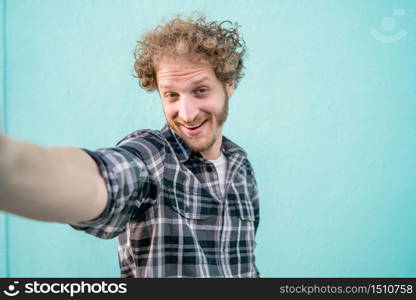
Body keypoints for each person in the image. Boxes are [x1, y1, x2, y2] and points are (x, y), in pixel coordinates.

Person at [0, 15, 260, 278]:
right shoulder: (153, 156)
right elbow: (100, 178)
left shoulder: (242, 168)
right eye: (172, 95)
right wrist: (13, 167)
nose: (187, 113)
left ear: (228, 86)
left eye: (200, 90)